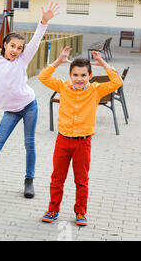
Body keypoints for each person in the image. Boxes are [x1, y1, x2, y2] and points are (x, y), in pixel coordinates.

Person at [0, 2, 60, 198]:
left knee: (29, 143)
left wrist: (44, 22)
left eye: (19, 48)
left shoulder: (23, 59)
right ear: (5, 45)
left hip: (29, 105)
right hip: (10, 111)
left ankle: (29, 181)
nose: (15, 50)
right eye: (12, 46)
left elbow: (36, 41)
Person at [39, 47, 123, 226]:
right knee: (57, 178)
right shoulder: (63, 86)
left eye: (83, 75)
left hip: (82, 143)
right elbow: (43, 77)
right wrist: (59, 61)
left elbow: (117, 81)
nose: (79, 79)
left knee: (82, 181)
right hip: (62, 141)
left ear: (90, 76)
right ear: (70, 75)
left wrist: (102, 63)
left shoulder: (96, 90)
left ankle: (81, 212)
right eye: (75, 75)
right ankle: (53, 209)